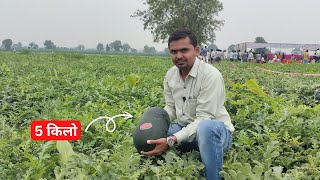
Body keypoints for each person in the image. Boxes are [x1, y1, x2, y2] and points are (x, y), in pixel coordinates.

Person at [141, 28, 234, 180]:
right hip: (185, 129)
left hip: (215, 134)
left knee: (206, 128)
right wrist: (154, 124)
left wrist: (171, 140)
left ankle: (213, 177)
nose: (178, 56)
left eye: (184, 50)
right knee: (152, 135)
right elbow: (170, 108)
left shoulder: (211, 76)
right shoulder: (171, 75)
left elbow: (204, 118)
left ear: (196, 50)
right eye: (173, 52)